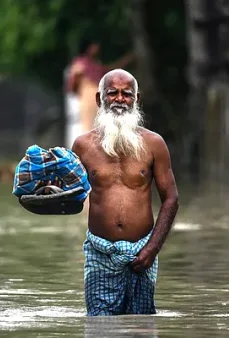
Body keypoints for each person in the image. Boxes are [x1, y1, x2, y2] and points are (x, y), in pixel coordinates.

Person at [71, 69, 179, 316]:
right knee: (99, 325)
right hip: (100, 252)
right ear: (100, 100)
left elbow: (171, 199)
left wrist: (152, 249)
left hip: (143, 253)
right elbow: (70, 195)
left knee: (141, 326)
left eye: (126, 94)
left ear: (137, 100)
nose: (120, 99)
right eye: (112, 93)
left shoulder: (154, 144)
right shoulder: (83, 146)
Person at [67, 39, 135, 136]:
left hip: (100, 99)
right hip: (88, 100)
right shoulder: (80, 63)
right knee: (89, 129)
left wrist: (126, 60)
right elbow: (72, 85)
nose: (97, 49)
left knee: (102, 128)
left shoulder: (94, 64)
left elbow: (109, 70)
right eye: (94, 46)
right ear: (88, 47)